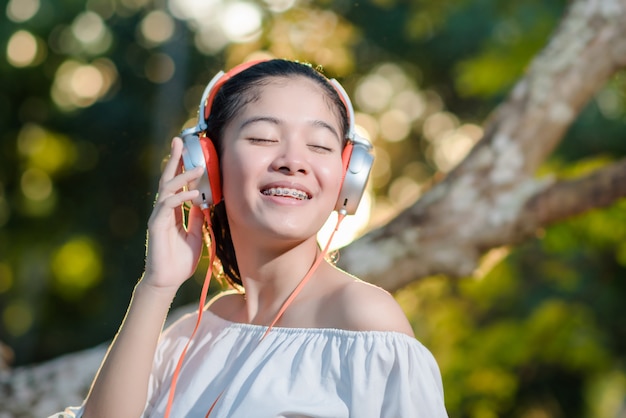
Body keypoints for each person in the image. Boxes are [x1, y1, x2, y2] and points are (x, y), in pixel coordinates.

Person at [52, 58, 448, 417]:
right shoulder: (194, 334)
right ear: (208, 166)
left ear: (348, 177)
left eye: (320, 145)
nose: (293, 162)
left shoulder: (364, 320)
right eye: (262, 138)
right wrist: (156, 286)